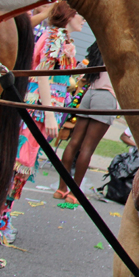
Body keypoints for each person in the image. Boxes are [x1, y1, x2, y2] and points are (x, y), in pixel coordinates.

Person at [0, 1, 84, 244]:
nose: (82, 19)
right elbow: (42, 73)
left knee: (20, 165)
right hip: (38, 112)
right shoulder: (55, 37)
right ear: (67, 15)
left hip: (43, 110)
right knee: (18, 165)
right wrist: (49, 112)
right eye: (78, 15)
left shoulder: (63, 38)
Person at [53, 42, 116, 204]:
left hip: (90, 93)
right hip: (107, 97)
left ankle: (61, 189)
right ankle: (75, 193)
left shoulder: (98, 48)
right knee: (87, 148)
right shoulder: (116, 48)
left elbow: (84, 70)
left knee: (74, 143)